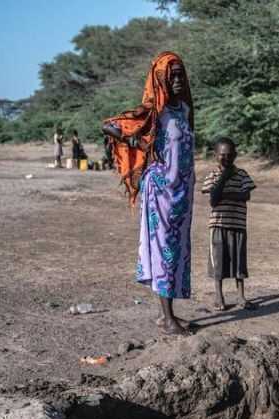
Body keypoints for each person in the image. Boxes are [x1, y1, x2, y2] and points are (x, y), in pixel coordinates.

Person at [102, 51, 195, 335]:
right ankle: (168, 319)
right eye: (172, 75)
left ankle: (164, 315)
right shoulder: (154, 112)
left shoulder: (186, 110)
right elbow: (108, 125)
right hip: (160, 192)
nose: (177, 80)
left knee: (177, 251)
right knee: (163, 250)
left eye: (180, 74)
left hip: (182, 193)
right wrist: (138, 144)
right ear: (160, 78)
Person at [201, 137, 257, 311]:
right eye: (223, 155)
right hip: (218, 225)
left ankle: (241, 296)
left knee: (238, 262)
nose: (227, 158)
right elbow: (213, 200)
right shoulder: (213, 175)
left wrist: (223, 194)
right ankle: (219, 296)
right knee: (218, 262)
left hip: (238, 224)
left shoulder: (242, 174)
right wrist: (224, 179)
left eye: (230, 155)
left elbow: (246, 196)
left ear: (236, 155)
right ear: (215, 155)